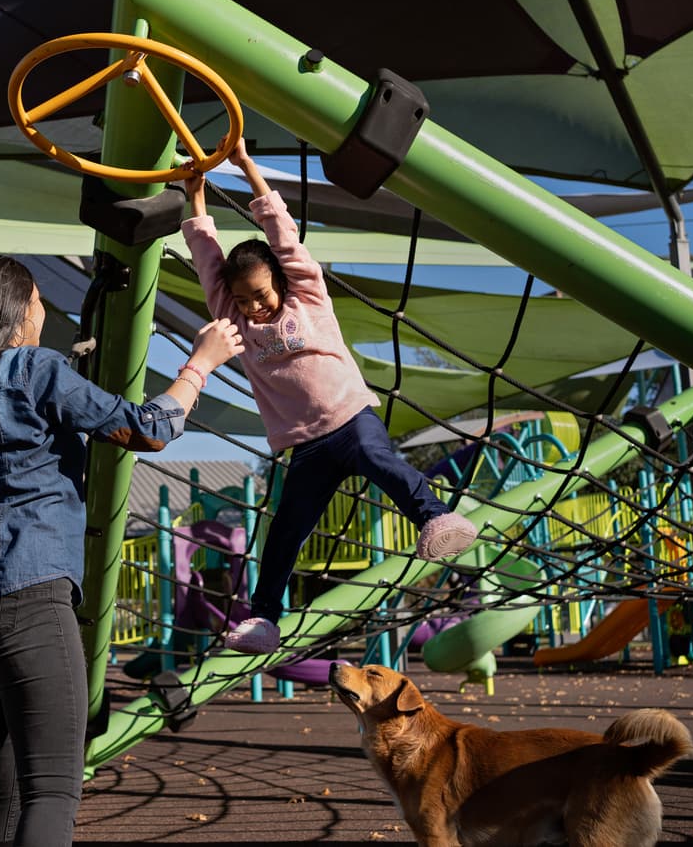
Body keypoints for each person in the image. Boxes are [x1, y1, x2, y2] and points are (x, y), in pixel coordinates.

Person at [0, 254, 243, 847]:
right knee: (53, 788)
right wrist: (202, 362)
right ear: (16, 312)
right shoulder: (33, 369)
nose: (42, 310)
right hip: (29, 594)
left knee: (7, 783)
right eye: (37, 299)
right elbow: (148, 429)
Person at [181, 140, 478, 655]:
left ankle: (435, 517)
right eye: (245, 299)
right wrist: (196, 195)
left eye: (261, 294)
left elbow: (283, 232)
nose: (254, 305)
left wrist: (247, 165)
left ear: (280, 279)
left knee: (380, 461)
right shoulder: (234, 320)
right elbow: (208, 261)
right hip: (307, 446)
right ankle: (265, 618)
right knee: (286, 530)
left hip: (350, 418)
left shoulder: (306, 294)